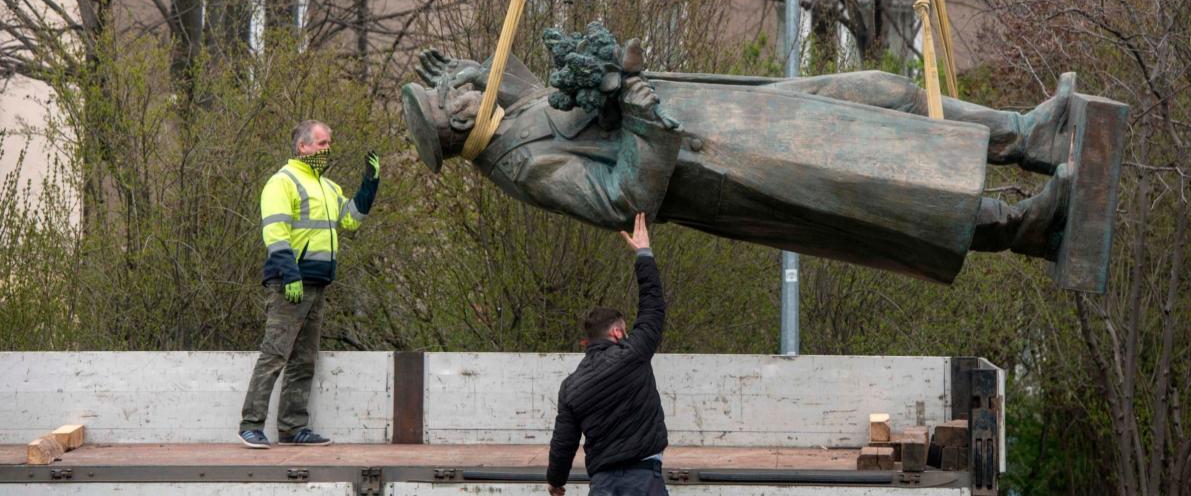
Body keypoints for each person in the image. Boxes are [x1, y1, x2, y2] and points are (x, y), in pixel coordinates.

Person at [402, 48, 1088, 285]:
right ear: (460, 123)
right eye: (451, 94)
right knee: (881, 188)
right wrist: (638, 116)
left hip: (727, 112)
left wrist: (475, 67)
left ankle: (1029, 133)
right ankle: (1021, 226)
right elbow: (621, 199)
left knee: (883, 93)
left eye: (456, 83)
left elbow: (523, 75)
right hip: (724, 168)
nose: (460, 86)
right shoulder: (522, 166)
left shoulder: (510, 112)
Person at [237, 120, 380, 448]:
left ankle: (292, 427)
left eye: (329, 143)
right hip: (290, 282)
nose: (327, 149)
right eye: (321, 143)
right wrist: (290, 275)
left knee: (304, 360)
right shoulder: (282, 182)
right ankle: (250, 424)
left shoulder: (328, 187)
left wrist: (369, 184)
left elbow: (351, 220)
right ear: (302, 146)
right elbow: (275, 231)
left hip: (316, 284)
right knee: (275, 355)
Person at [546, 212, 669, 496]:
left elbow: (563, 442)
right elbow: (652, 308)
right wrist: (644, 255)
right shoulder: (632, 354)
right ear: (616, 333)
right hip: (644, 480)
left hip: (602, 485)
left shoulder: (571, 387)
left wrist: (556, 481)